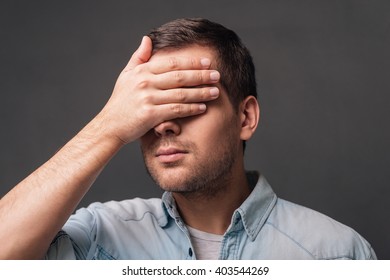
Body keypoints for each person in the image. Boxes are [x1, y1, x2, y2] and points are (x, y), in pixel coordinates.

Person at [0, 18, 376, 260]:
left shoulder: (337, 255)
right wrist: (109, 126)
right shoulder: (97, 237)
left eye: (189, 101)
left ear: (245, 117)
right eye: (150, 105)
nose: (164, 125)